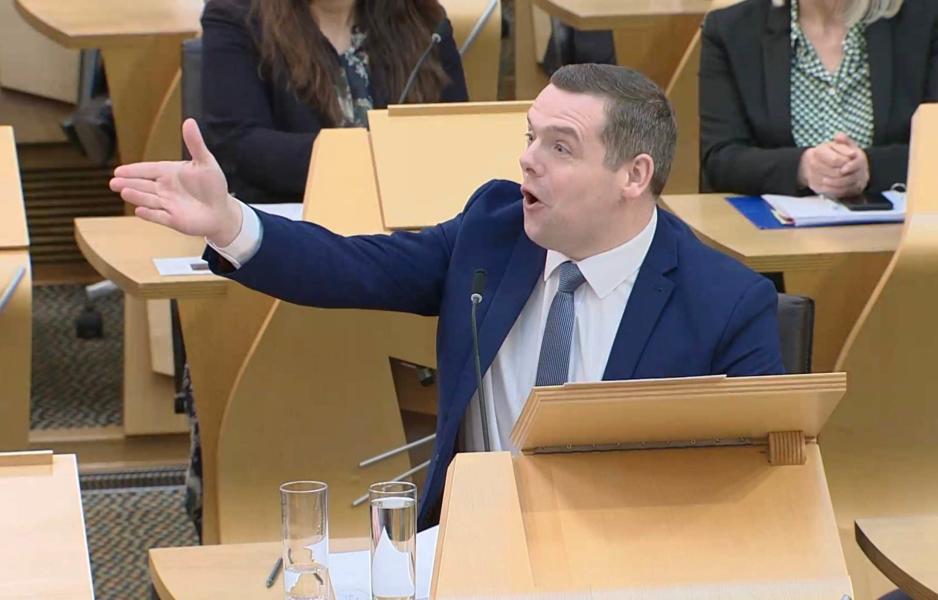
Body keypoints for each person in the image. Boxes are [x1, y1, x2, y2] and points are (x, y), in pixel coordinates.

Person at [110, 64, 784, 528]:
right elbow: (353, 267)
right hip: (470, 551)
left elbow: (747, 495)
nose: (527, 160)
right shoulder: (494, 232)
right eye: (530, 137)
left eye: (560, 147)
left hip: (628, 568)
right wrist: (231, 222)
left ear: (634, 176)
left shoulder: (726, 303)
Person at [202, 0, 469, 204]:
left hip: (410, 230)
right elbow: (238, 142)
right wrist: (365, 156)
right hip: (291, 230)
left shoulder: (421, 16)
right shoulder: (236, 15)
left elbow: (458, 134)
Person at [699, 0, 938, 196]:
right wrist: (803, 168)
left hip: (899, 240)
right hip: (772, 244)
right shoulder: (731, 31)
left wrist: (870, 168)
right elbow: (720, 158)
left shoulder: (931, 19)